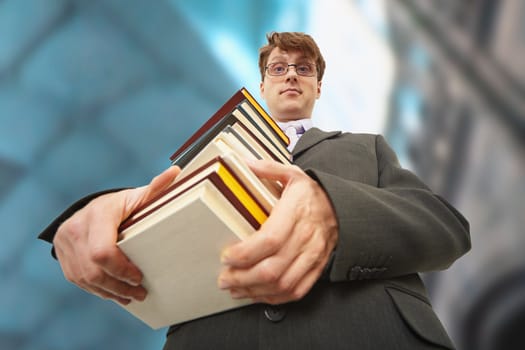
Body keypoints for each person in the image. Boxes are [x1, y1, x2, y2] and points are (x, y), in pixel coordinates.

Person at [39, 32, 471, 349]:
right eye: (278, 69)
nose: (291, 77)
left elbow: (445, 228)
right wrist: (100, 214)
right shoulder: (208, 152)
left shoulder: (365, 147)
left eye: (304, 69)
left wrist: (337, 213)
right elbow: (161, 214)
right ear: (262, 85)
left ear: (318, 87)